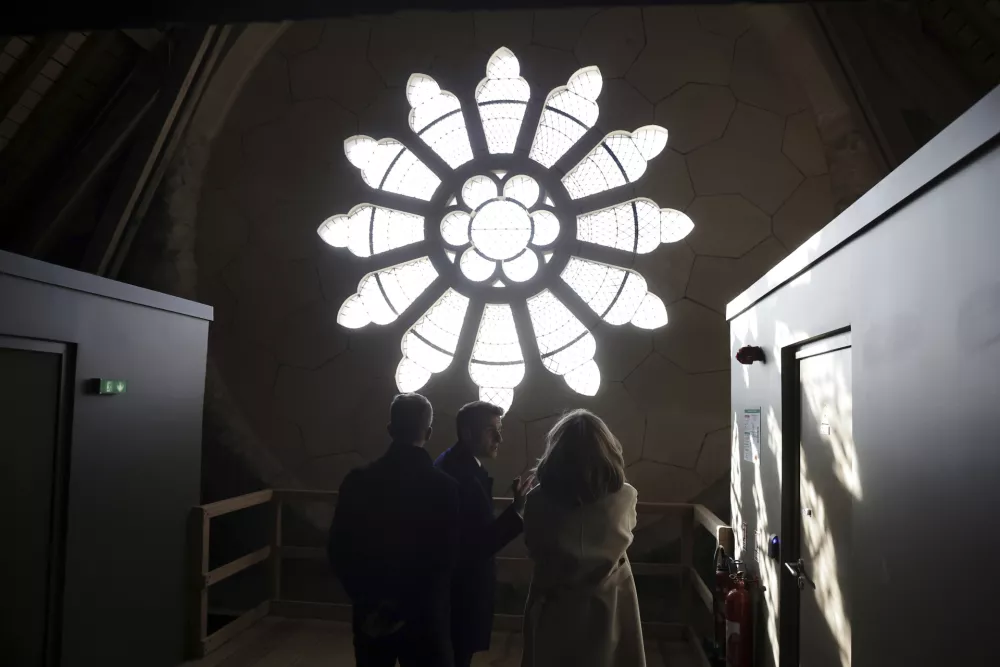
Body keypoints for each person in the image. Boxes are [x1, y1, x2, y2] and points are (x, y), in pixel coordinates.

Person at [328, 393, 460, 667]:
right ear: (429, 432)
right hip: (425, 618)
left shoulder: (358, 481)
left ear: (390, 430)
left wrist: (372, 603)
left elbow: (339, 549)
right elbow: (443, 558)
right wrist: (406, 609)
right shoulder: (444, 487)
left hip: (371, 614)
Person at [520, 409, 645, 667]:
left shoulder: (536, 500)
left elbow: (533, 545)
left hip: (554, 603)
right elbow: (628, 530)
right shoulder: (626, 497)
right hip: (609, 602)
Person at [434, 401, 534, 667]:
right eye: (492, 431)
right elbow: (478, 544)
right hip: (461, 594)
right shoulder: (464, 477)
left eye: (500, 430)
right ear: (467, 433)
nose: (499, 438)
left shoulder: (450, 462)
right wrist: (518, 511)